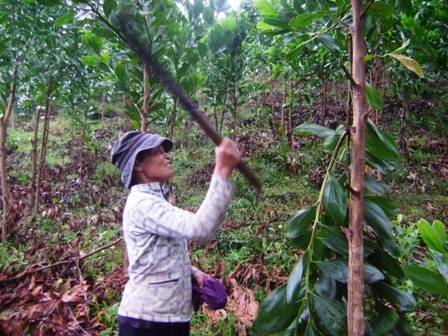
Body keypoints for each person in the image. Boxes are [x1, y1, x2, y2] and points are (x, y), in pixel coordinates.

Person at [110, 131, 241, 336]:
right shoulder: (143, 203)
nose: (167, 156)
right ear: (138, 164)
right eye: (158, 152)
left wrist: (192, 272)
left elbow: (155, 256)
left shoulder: (155, 200)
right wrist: (222, 170)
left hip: (165, 320)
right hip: (148, 322)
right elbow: (201, 227)